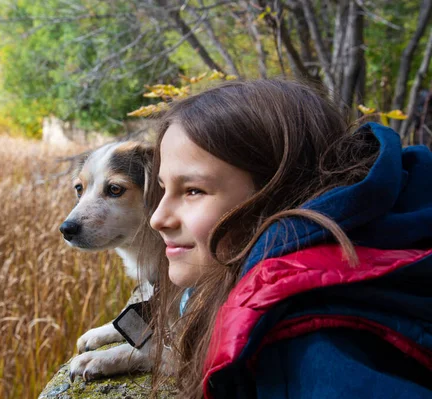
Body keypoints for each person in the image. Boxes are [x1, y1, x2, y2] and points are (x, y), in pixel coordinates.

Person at [142, 79, 432, 398]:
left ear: (276, 193)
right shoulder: (387, 237)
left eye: (193, 190)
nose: (158, 218)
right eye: (163, 187)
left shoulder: (302, 346)